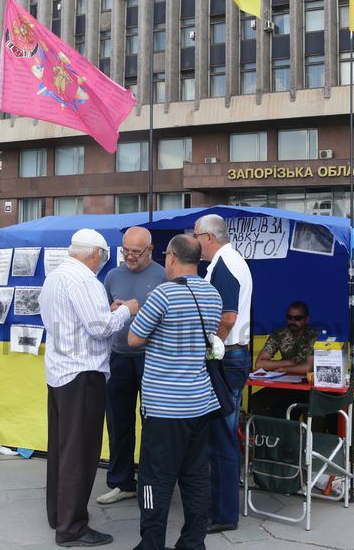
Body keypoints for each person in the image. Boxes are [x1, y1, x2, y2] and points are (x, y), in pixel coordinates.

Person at [38, 229, 140, 548]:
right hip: (83, 374)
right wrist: (126, 310)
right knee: (80, 453)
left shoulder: (56, 276)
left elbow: (74, 321)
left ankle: (59, 514)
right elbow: (99, 329)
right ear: (95, 253)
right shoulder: (86, 280)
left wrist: (108, 310)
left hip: (61, 372)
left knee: (62, 447)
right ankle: (72, 528)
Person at [128, 234, 222, 550]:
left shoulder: (163, 295)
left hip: (164, 406)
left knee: (154, 479)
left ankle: (152, 543)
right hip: (200, 402)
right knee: (196, 477)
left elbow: (134, 339)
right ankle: (193, 543)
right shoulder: (213, 294)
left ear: (170, 257)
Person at [97, 226, 167, 506]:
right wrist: (111, 310)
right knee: (118, 422)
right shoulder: (113, 275)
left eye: (136, 252)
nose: (129, 256)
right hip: (119, 357)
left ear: (150, 250)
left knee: (153, 424)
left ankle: (151, 483)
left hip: (152, 358)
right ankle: (121, 482)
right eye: (125, 250)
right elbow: (103, 316)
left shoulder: (164, 276)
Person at [193, 213, 253, 534]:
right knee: (222, 436)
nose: (195, 243)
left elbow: (228, 317)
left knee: (221, 438)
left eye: (196, 236)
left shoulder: (225, 264)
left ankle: (223, 513)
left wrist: (211, 347)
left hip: (227, 356)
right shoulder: (228, 261)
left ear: (209, 237)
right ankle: (221, 508)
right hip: (232, 355)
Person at [254, 301, 318, 375]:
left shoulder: (313, 335)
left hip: (307, 380)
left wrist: (283, 369)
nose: (293, 321)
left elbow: (308, 368)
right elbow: (259, 364)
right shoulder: (280, 334)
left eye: (297, 318)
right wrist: (288, 363)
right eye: (289, 317)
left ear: (307, 319)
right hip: (284, 377)